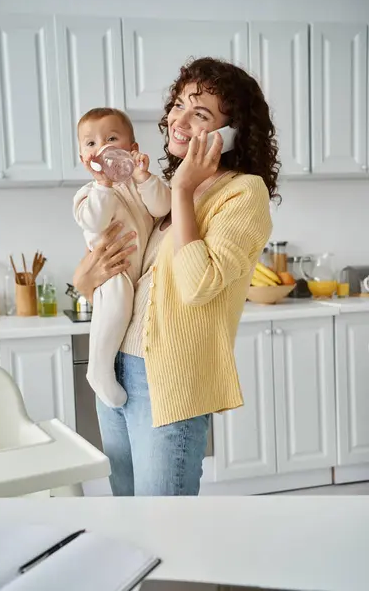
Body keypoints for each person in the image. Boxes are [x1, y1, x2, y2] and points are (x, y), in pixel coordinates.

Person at [73, 57, 280, 496]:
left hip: (168, 377)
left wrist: (185, 190)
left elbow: (197, 283)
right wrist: (84, 279)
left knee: (164, 524)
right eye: (179, 105)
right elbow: (124, 274)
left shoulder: (242, 193)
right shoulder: (165, 190)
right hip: (117, 366)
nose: (179, 120)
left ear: (231, 133)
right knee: (126, 509)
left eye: (201, 113)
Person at [74, 108, 171, 408]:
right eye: (90, 143)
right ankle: (99, 369)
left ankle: (104, 366)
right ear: (84, 159)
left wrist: (143, 176)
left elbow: (162, 207)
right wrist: (103, 184)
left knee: (122, 310)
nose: (101, 147)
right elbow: (96, 222)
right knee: (115, 306)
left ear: (132, 149)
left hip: (135, 272)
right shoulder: (88, 195)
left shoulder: (142, 184)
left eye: (111, 138)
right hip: (111, 271)